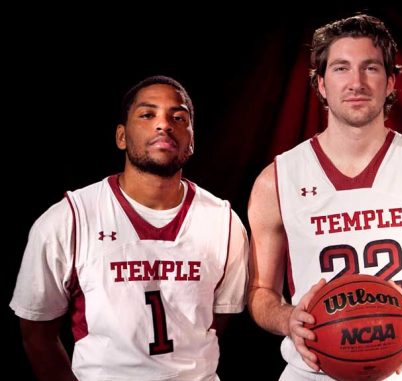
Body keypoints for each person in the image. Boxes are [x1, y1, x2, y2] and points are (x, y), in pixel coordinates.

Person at [247, 14, 402, 381]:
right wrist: (288, 319)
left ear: (390, 82)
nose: (356, 82)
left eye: (370, 68)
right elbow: (259, 292)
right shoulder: (276, 180)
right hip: (311, 372)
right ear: (320, 84)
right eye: (340, 68)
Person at [9, 75, 249, 381]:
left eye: (178, 117)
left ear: (191, 141)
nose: (164, 124)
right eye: (148, 115)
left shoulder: (224, 222)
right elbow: (36, 333)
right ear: (121, 136)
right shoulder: (69, 218)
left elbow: (216, 321)